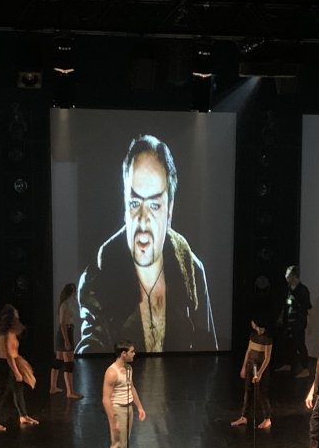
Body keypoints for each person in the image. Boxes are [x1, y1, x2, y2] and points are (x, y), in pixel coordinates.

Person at [75, 134, 217, 353]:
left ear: (169, 211)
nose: (143, 221)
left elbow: (207, 353)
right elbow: (91, 353)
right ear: (125, 207)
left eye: (154, 205)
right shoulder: (97, 280)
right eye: (135, 203)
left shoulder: (193, 272)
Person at [101, 340, 146, 448]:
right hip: (117, 409)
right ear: (123, 354)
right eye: (131, 351)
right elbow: (106, 399)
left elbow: (131, 387)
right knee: (117, 444)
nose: (134, 354)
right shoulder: (112, 372)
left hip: (128, 408)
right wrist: (113, 420)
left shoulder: (128, 369)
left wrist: (139, 407)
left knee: (124, 443)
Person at [0, 304, 38, 431]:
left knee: (18, 391)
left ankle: (23, 416)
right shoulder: (8, 333)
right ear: (11, 317)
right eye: (16, 315)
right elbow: (9, 355)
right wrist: (17, 372)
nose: (17, 317)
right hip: (7, 365)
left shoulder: (5, 332)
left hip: (9, 363)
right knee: (1, 393)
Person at [230, 318, 273, 430]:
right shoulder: (253, 335)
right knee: (248, 391)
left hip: (260, 367)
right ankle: (244, 417)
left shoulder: (267, 338)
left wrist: (259, 373)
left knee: (261, 393)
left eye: (253, 322)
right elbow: (248, 351)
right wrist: (244, 367)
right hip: (250, 365)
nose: (251, 323)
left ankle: (267, 419)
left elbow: (267, 358)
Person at [275, 264, 313, 378]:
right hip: (288, 319)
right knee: (288, 343)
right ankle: (288, 364)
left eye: (288, 275)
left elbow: (307, 306)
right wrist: (281, 316)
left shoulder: (303, 289)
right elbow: (285, 304)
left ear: (294, 276)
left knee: (299, 343)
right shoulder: (288, 288)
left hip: (298, 321)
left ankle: (305, 369)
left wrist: (295, 302)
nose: (286, 277)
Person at [50, 283, 83, 399]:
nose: (75, 293)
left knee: (59, 360)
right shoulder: (64, 304)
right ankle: (70, 392)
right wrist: (66, 340)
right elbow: (62, 323)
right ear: (71, 292)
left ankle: (53, 387)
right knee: (69, 363)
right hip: (65, 333)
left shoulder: (67, 303)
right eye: (74, 291)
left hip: (67, 332)